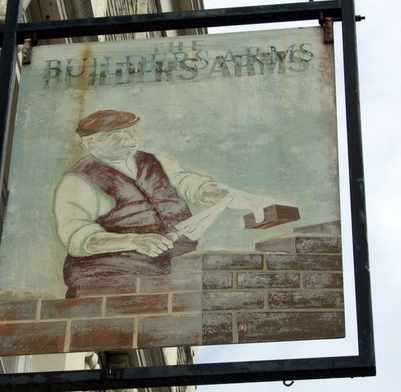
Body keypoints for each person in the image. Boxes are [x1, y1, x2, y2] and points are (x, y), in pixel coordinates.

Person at [53, 109, 265, 297]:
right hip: (110, 273)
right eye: (117, 135)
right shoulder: (78, 180)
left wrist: (209, 191)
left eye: (131, 131)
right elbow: (76, 237)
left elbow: (185, 181)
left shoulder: (155, 160)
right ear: (90, 142)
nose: (129, 139)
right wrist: (133, 241)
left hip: (171, 266)